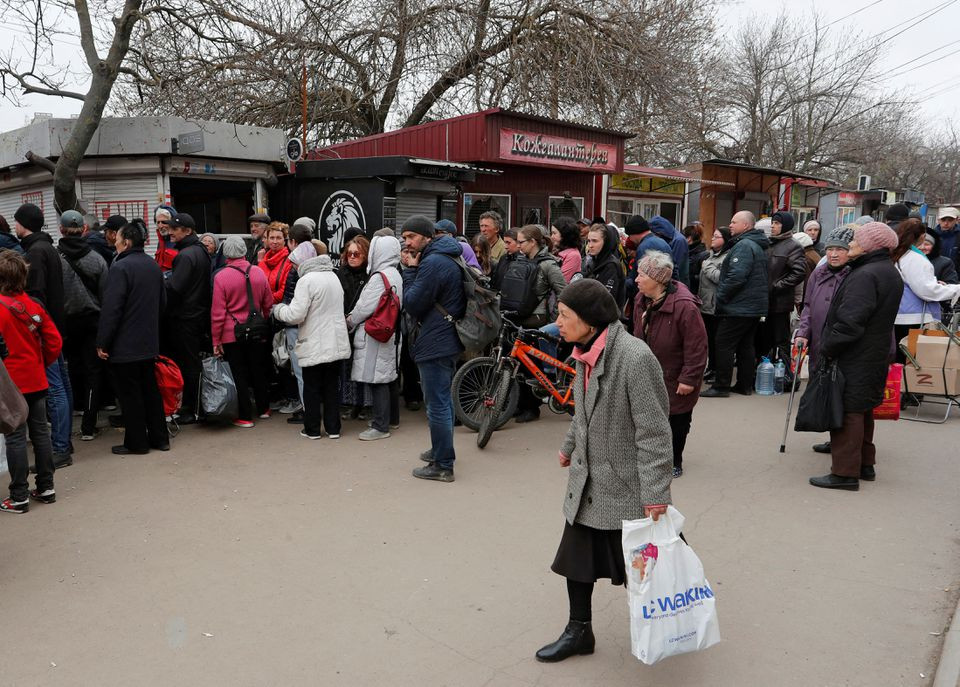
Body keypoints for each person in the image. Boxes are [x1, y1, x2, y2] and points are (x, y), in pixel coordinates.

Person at [536, 278, 673, 663]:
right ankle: (579, 631)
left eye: (564, 316)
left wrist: (656, 493)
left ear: (590, 320)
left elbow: (655, 433)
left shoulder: (634, 358)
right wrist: (568, 448)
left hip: (626, 488)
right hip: (589, 480)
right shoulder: (585, 350)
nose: (557, 323)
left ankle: (664, 628)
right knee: (575, 562)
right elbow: (583, 412)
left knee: (645, 572)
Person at [810, 222, 903, 491]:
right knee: (862, 409)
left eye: (855, 241)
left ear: (870, 246)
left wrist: (828, 347)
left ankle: (844, 473)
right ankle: (864, 464)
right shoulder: (887, 271)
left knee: (848, 411)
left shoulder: (866, 274)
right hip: (874, 352)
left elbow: (850, 322)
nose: (850, 245)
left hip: (855, 354)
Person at [400, 215, 466, 483]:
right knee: (442, 401)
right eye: (404, 238)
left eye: (412, 237)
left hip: (436, 340)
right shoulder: (444, 256)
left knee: (436, 404)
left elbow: (412, 303)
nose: (407, 243)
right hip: (447, 337)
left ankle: (443, 465)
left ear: (428, 237)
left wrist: (410, 271)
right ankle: (441, 450)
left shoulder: (432, 263)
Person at [632, 251, 707, 478]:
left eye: (641, 275)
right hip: (648, 372)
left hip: (675, 375)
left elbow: (697, 347)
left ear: (657, 279)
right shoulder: (641, 299)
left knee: (677, 419)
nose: (636, 279)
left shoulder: (685, 306)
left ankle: (675, 460)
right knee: (646, 419)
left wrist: (689, 379)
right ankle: (649, 457)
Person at [96, 221, 169, 455]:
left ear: (126, 242)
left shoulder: (120, 267)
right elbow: (162, 303)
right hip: (148, 340)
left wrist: (103, 342)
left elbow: (112, 309)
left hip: (125, 344)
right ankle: (160, 438)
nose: (114, 242)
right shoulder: (152, 265)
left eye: (117, 238)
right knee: (151, 390)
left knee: (130, 395)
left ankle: (137, 443)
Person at [0, 251, 62, 513]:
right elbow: (55, 342)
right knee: (40, 432)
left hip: (10, 382)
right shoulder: (34, 305)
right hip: (36, 379)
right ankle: (46, 486)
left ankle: (19, 495)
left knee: (15, 437)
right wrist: (40, 362)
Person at [13, 202, 72, 467]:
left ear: (24, 224)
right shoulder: (46, 246)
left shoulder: (35, 251)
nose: (14, 226)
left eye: (17, 222)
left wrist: (33, 328)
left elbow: (36, 297)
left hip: (44, 330)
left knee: (55, 388)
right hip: (55, 325)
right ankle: (64, 441)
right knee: (63, 384)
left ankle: (60, 447)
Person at [272, 243, 351, 440]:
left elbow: (296, 315)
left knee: (312, 387)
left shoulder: (306, 281)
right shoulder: (333, 276)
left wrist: (278, 309)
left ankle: (312, 429)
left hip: (314, 341)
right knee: (332, 386)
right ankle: (334, 428)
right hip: (335, 341)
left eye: (294, 264)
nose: (293, 268)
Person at [794, 226, 854, 457]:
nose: (834, 254)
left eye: (840, 249)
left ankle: (840, 439)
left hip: (841, 342)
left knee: (841, 393)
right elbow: (808, 306)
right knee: (824, 390)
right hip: (819, 340)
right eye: (830, 249)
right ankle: (832, 436)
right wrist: (802, 332)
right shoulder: (818, 273)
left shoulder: (852, 275)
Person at [702, 210, 770, 398]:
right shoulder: (752, 244)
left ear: (746, 226)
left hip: (740, 306)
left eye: (733, 222)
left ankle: (721, 386)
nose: (730, 225)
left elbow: (737, 276)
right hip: (751, 307)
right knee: (745, 345)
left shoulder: (744, 245)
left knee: (723, 342)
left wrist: (721, 296)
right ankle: (744, 384)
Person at [211, 235, 274, 427]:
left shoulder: (220, 277)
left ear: (225, 253)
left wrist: (216, 341)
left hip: (232, 333)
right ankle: (264, 409)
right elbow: (268, 302)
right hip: (257, 330)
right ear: (244, 252)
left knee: (239, 373)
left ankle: (245, 417)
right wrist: (260, 320)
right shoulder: (258, 272)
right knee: (258, 368)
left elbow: (217, 313)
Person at [57, 210, 109, 442]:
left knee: (70, 368)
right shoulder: (97, 259)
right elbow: (106, 296)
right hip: (92, 321)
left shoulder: (55, 258)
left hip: (65, 322)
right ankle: (89, 425)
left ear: (61, 230)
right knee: (92, 371)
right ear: (85, 230)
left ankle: (75, 409)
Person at [346, 234, 404, 441]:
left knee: (377, 378)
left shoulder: (379, 276)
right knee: (389, 376)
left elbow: (364, 307)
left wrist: (350, 320)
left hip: (375, 333)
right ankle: (392, 419)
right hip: (391, 331)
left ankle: (380, 426)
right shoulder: (396, 272)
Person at [513, 225, 568, 424]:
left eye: (521, 242)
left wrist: (558, 319)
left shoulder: (548, 264)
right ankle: (518, 403)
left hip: (536, 319)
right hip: (520, 316)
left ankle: (531, 407)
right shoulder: (523, 260)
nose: (518, 246)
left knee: (530, 365)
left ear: (533, 242)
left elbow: (563, 291)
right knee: (518, 365)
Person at [163, 212, 211, 424]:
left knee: (189, 364)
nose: (170, 232)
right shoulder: (200, 251)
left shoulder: (185, 255)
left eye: (174, 229)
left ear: (188, 231)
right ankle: (195, 407)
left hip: (186, 317)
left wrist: (159, 285)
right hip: (197, 315)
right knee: (193, 363)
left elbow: (175, 288)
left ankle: (191, 409)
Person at [892, 218, 960, 359]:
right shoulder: (915, 259)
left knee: (900, 363)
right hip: (914, 319)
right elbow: (927, 291)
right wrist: (955, 290)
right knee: (913, 364)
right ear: (922, 236)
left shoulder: (900, 254)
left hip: (900, 316)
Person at [758, 211, 806, 368]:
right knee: (764, 339)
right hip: (764, 301)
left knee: (780, 340)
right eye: (772, 222)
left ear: (785, 225)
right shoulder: (769, 243)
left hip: (780, 303)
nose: (773, 226)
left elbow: (799, 273)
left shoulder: (794, 246)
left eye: (777, 223)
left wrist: (776, 286)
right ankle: (764, 369)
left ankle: (784, 373)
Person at [338, 235, 371, 420]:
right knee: (347, 367)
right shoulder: (340, 273)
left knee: (364, 366)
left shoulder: (370, 275)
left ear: (365, 255)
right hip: (344, 327)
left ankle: (366, 404)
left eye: (356, 253)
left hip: (364, 326)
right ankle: (349, 403)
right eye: (349, 253)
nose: (351, 256)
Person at [698, 226, 730, 382]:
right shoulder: (710, 255)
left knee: (718, 340)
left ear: (725, 240)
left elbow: (721, 278)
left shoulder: (727, 257)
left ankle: (718, 371)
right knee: (709, 339)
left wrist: (707, 266)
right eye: (713, 235)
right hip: (705, 304)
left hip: (717, 305)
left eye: (716, 236)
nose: (712, 238)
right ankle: (711, 368)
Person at [582, 223, 626, 309]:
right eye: (589, 241)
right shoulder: (592, 261)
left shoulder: (611, 265)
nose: (590, 245)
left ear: (605, 242)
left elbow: (606, 299)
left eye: (595, 241)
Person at [256, 222, 293, 305]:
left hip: (278, 310)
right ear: (267, 240)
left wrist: (266, 302)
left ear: (285, 240)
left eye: (278, 238)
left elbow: (283, 291)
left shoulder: (289, 261)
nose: (275, 241)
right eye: (272, 238)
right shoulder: (263, 261)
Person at [649, 216, 690, 286]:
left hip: (678, 284)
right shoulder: (670, 238)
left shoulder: (679, 241)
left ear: (659, 232)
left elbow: (678, 267)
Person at [551, 218, 583, 283]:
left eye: (554, 233)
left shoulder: (573, 255)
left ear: (564, 234)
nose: (552, 237)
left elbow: (560, 280)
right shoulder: (558, 251)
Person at [683, 223, 709, 295]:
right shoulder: (686, 251)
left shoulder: (704, 255)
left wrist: (690, 276)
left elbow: (703, 278)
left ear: (689, 238)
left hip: (694, 293)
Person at [933, 206, 959, 271]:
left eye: (950, 220)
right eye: (943, 219)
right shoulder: (932, 235)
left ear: (956, 220)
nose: (946, 223)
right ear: (938, 220)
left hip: (955, 277)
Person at [153, 206, 178, 272]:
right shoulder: (161, 242)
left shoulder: (180, 240)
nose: (160, 226)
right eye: (158, 222)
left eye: (164, 222)